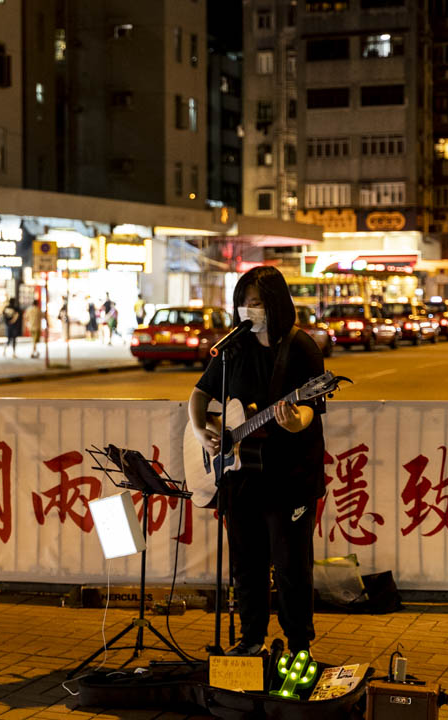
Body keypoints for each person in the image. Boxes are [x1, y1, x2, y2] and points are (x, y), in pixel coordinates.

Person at [187, 266, 326, 658]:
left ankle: (299, 645)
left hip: (290, 476)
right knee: (246, 564)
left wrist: (293, 419)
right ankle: (250, 640)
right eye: (242, 304)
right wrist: (201, 431)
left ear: (275, 304)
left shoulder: (301, 348)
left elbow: (311, 411)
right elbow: (199, 394)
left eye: (255, 303)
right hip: (242, 479)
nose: (247, 311)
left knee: (290, 566)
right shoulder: (236, 349)